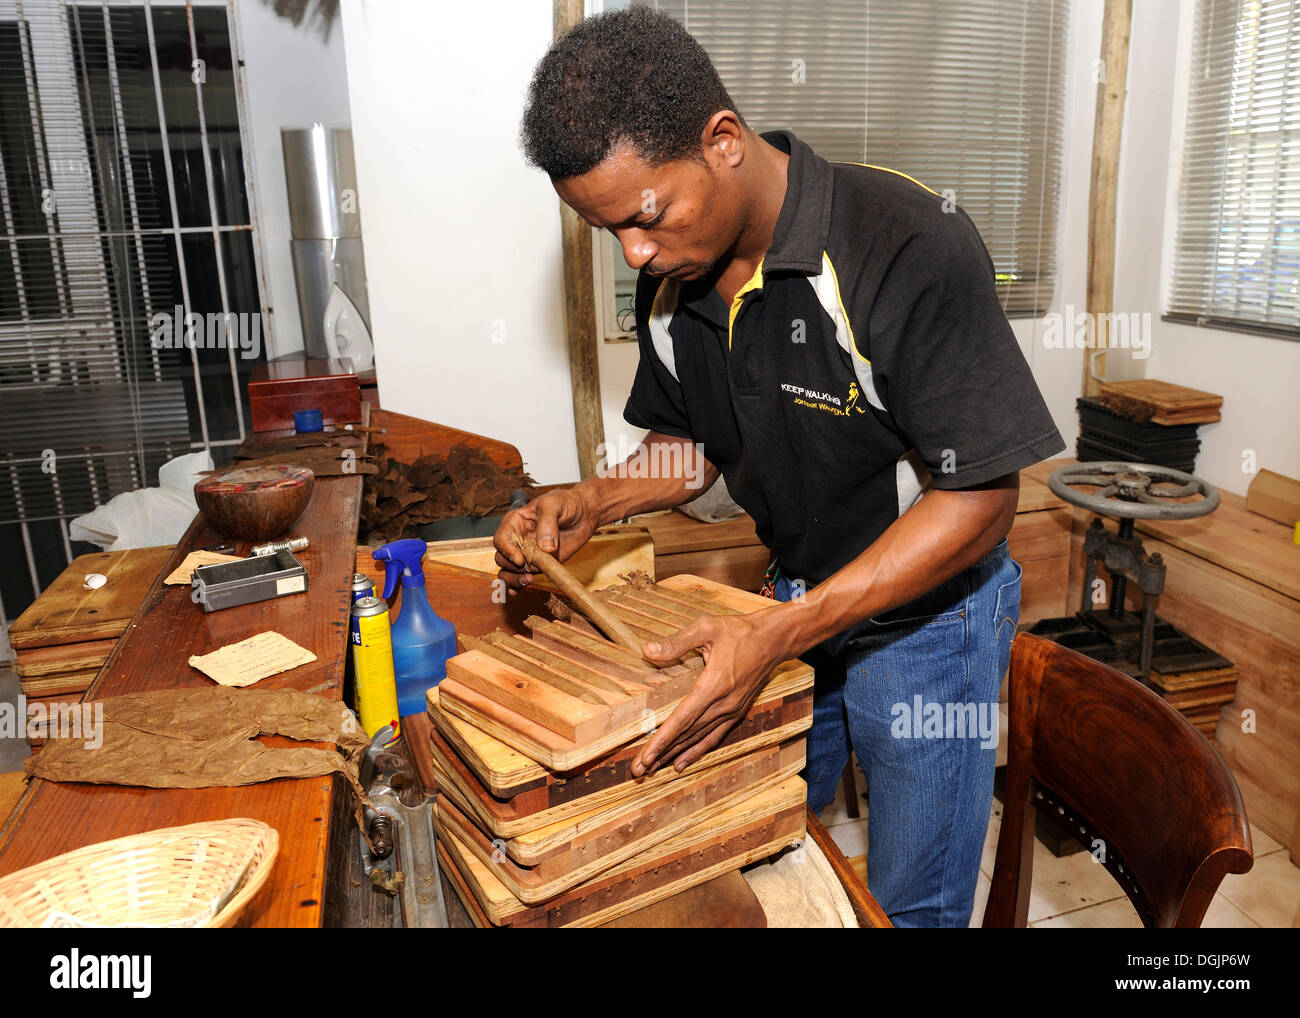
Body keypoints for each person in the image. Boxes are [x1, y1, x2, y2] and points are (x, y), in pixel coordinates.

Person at [494, 6, 1064, 927]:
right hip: (795, 595)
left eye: (645, 216)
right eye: (610, 234)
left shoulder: (905, 246)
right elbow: (698, 446)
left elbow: (983, 496)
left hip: (929, 618)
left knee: (906, 903)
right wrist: (595, 498)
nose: (634, 253)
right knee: (765, 842)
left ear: (722, 141)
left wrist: (791, 625)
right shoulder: (672, 281)